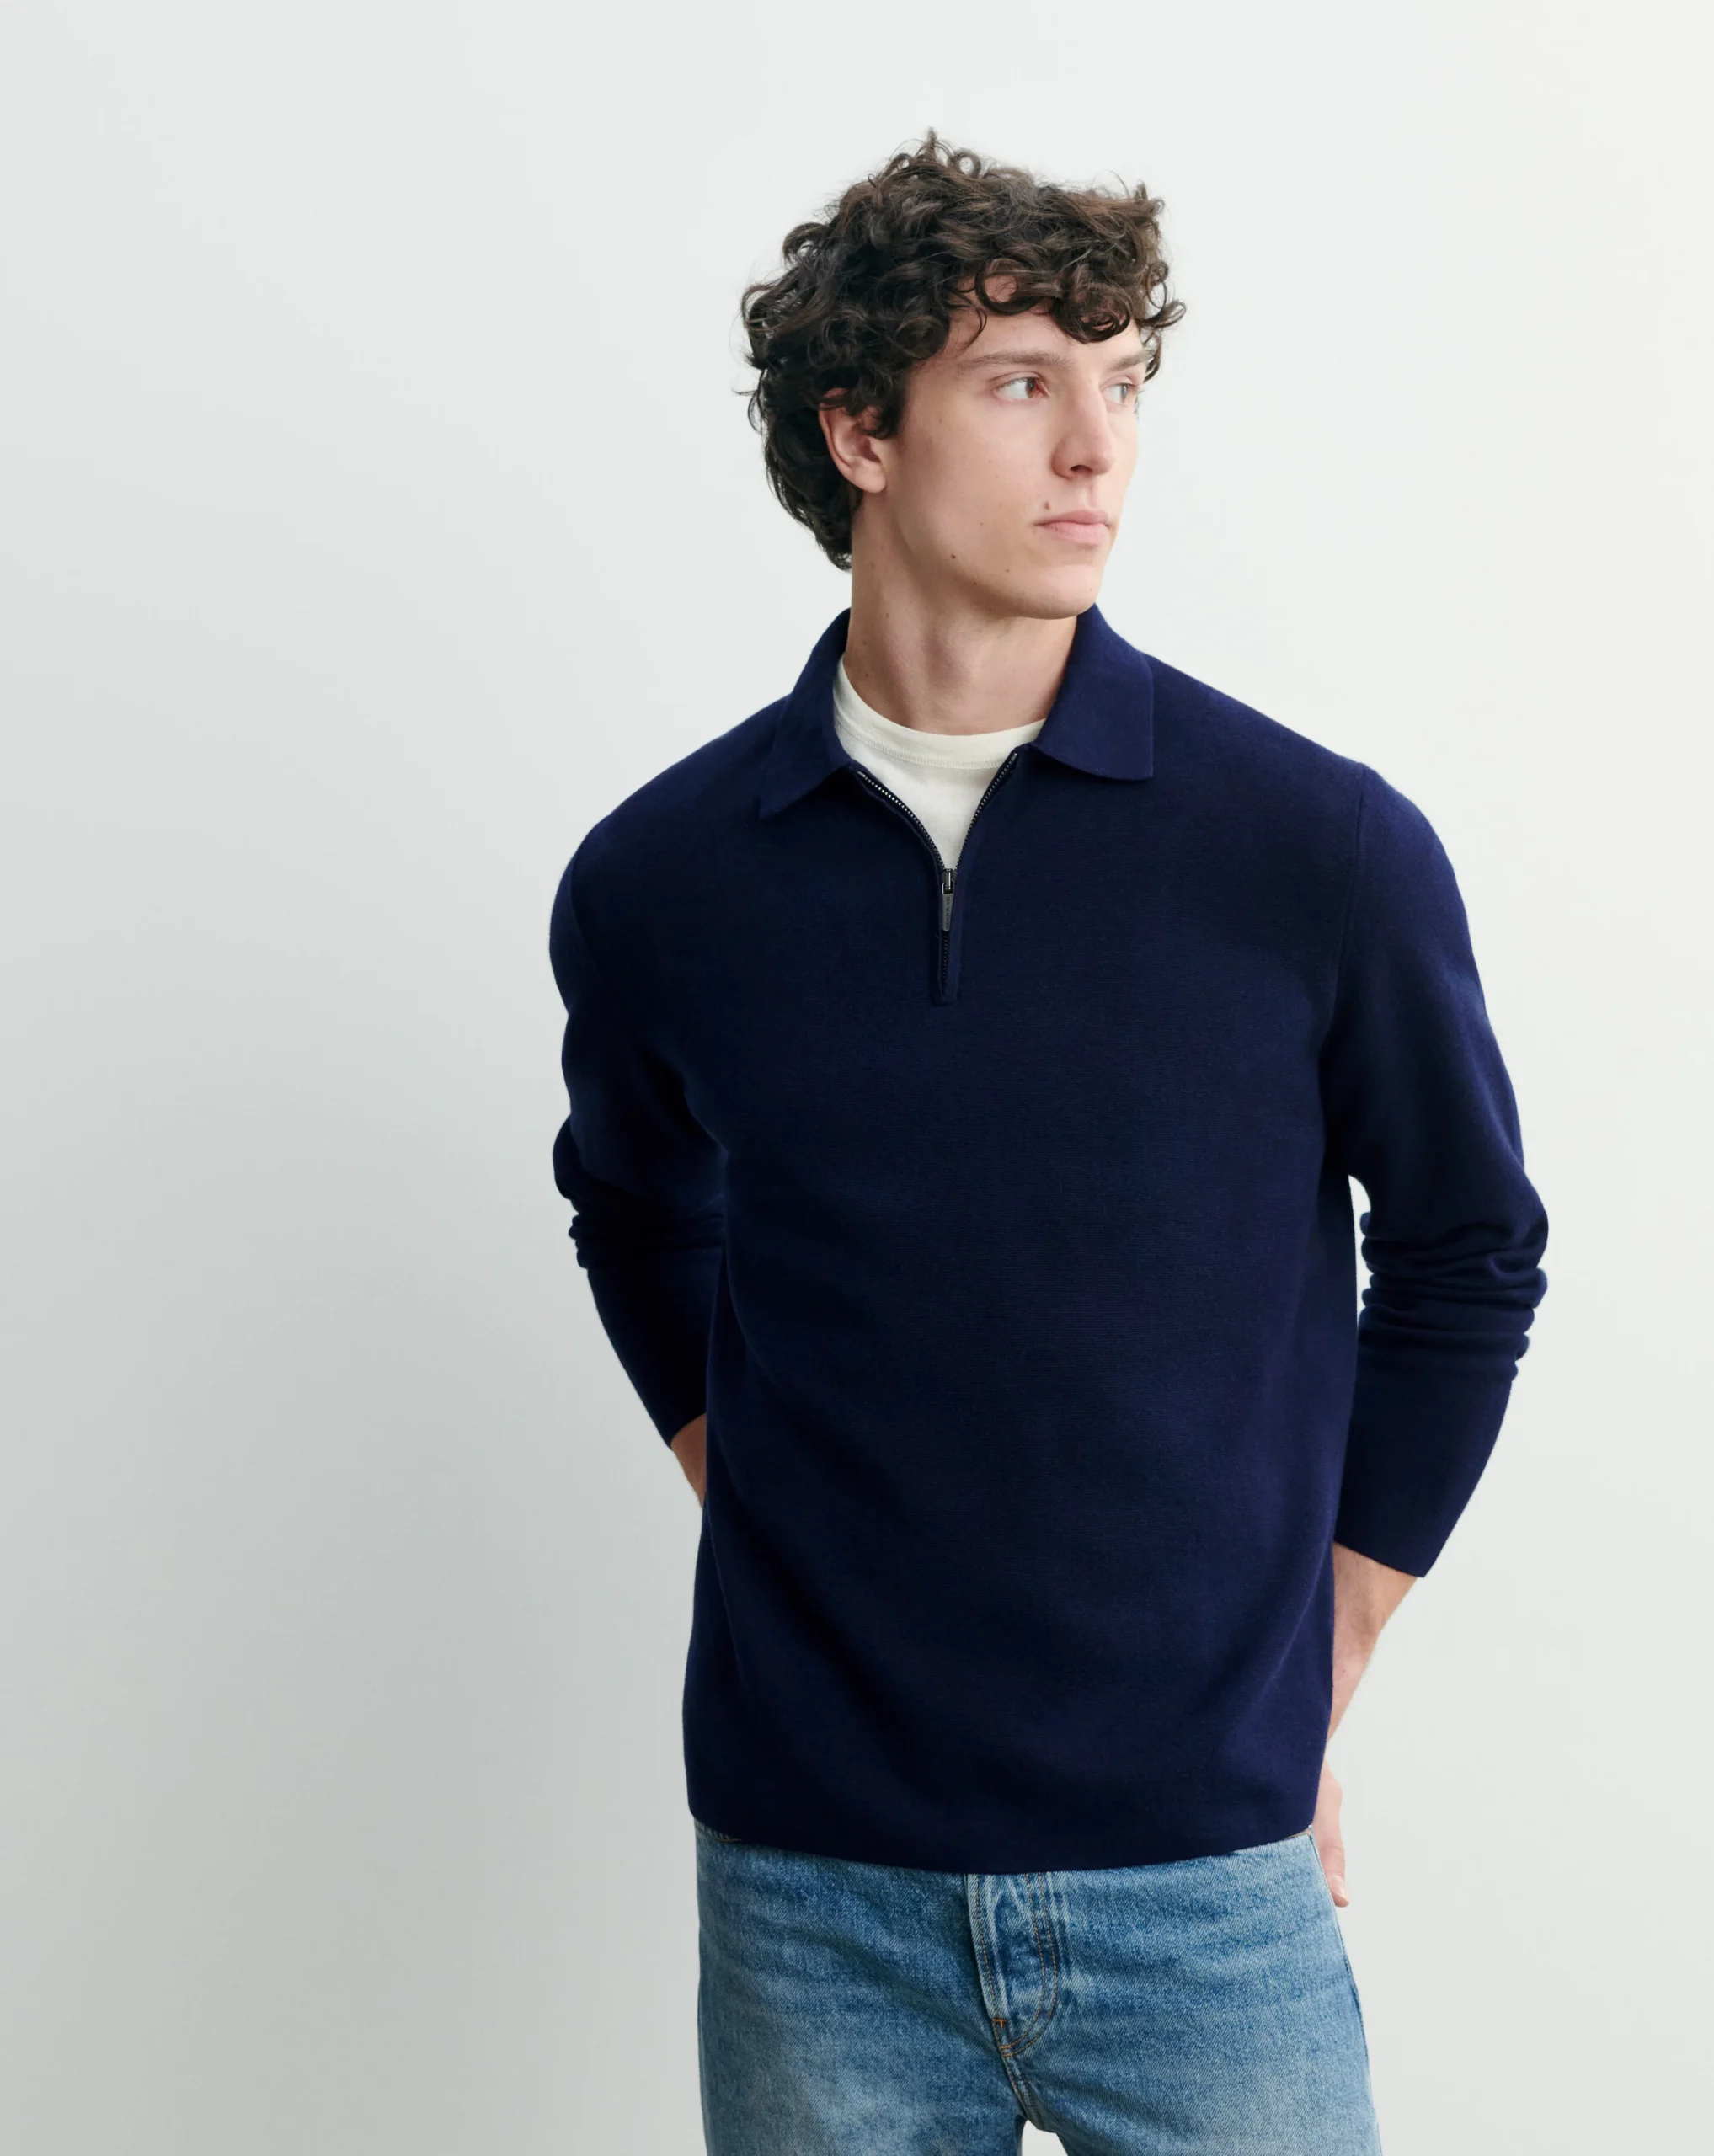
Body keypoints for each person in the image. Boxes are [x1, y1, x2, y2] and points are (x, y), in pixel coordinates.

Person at [548, 133, 1548, 2155]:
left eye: (1123, 381)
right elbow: (634, 1208)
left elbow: (1469, 1248)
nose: (1097, 447)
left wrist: (1330, 1635)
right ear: (861, 431)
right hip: (808, 1889)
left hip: (1208, 1888)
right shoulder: (663, 882)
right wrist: (750, 1481)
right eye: (1022, 383)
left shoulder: (1314, 850)